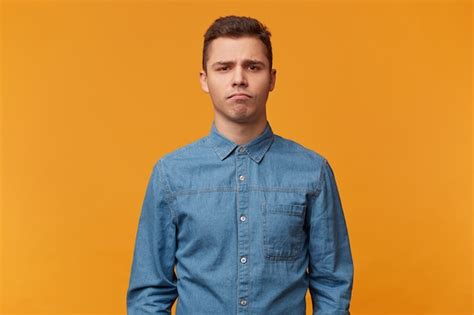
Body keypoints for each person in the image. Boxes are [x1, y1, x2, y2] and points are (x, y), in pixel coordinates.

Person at [126, 15, 354, 315]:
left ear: (271, 78)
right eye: (224, 68)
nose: (238, 79)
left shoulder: (312, 172)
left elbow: (332, 285)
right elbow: (149, 293)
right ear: (205, 80)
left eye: (252, 66)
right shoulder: (171, 174)